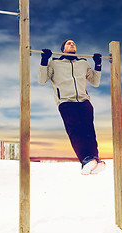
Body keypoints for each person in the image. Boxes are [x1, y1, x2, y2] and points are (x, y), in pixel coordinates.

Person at [38, 39, 105, 175]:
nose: (72, 44)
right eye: (68, 43)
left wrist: (98, 64)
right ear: (63, 49)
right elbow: (42, 80)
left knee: (89, 132)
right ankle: (85, 160)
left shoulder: (83, 63)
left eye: (73, 43)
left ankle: (95, 159)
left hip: (84, 101)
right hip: (66, 102)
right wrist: (45, 60)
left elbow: (95, 82)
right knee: (75, 131)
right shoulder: (55, 63)